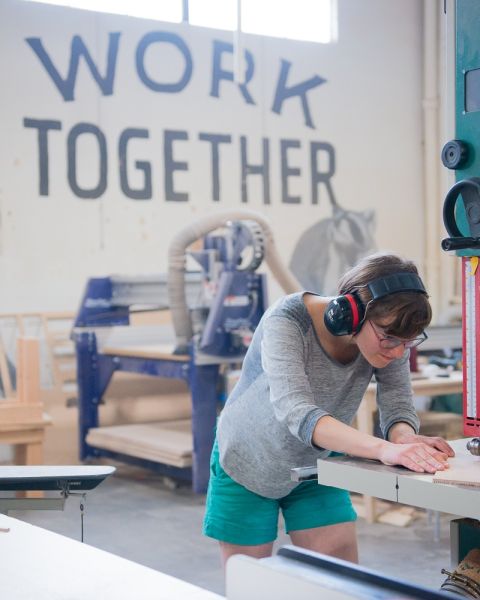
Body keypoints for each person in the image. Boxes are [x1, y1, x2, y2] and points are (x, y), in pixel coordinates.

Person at [203, 252, 455, 566]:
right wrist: (382, 449)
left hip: (315, 465)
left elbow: (397, 402)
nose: (398, 351)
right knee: (249, 580)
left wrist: (403, 439)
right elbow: (297, 411)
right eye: (390, 339)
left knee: (338, 578)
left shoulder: (392, 334)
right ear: (349, 313)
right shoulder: (288, 320)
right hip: (248, 458)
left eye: (408, 342)